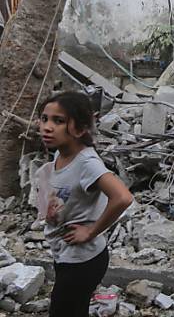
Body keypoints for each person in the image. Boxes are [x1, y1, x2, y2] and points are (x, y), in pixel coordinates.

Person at [36, 91, 134, 317]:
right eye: (44, 118)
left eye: (58, 121)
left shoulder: (87, 162)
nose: (47, 127)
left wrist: (91, 231)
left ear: (79, 129)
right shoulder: (60, 155)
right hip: (65, 253)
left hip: (84, 259)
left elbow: (123, 197)